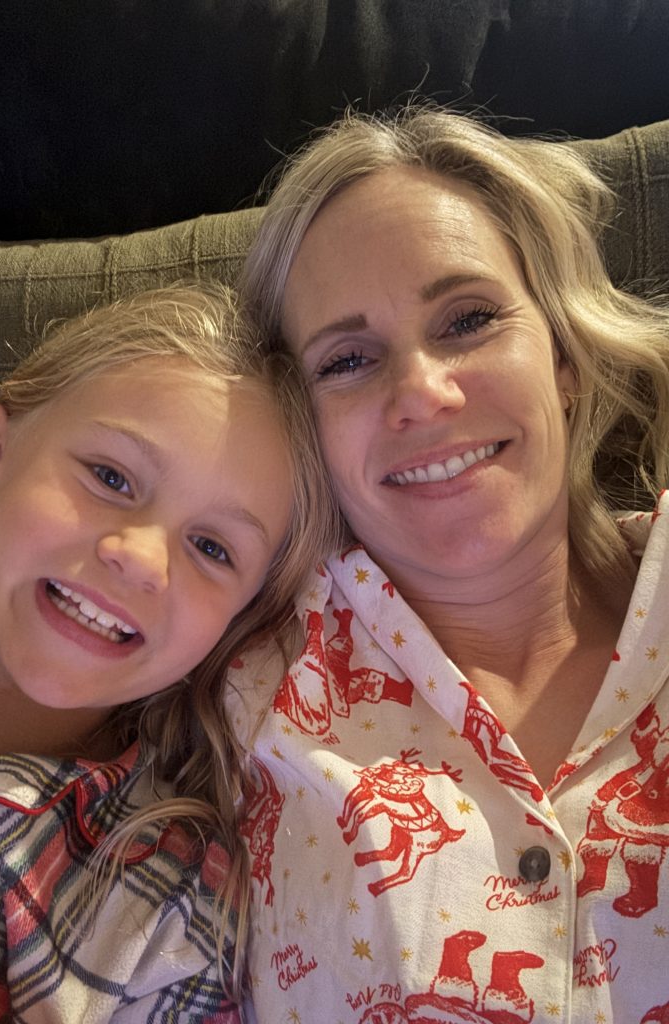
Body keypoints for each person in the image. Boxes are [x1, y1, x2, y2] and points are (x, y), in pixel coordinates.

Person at [230, 106, 669, 1023]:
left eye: (467, 320)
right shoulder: (237, 678)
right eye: (348, 361)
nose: (423, 393)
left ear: (563, 357)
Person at [0, 282, 338, 1022]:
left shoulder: (176, 913)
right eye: (110, 478)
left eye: (211, 548)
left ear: (234, 627)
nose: (139, 558)